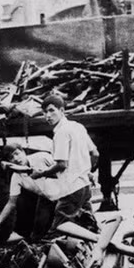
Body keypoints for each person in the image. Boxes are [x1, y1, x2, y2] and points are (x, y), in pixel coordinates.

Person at [30, 94, 99, 233]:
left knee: (60, 228)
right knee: (88, 227)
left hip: (71, 188)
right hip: (84, 186)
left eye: (52, 110)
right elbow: (95, 153)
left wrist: (41, 173)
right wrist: (87, 171)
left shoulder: (61, 133)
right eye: (44, 112)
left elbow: (62, 164)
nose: (48, 116)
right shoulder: (78, 127)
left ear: (62, 110)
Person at [0, 143, 61, 240]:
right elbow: (11, 203)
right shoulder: (16, 177)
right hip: (46, 199)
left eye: (17, 154)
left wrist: (42, 173)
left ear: (23, 152)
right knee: (37, 235)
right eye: (11, 158)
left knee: (61, 228)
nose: (16, 159)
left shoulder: (42, 157)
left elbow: (64, 169)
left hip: (65, 195)